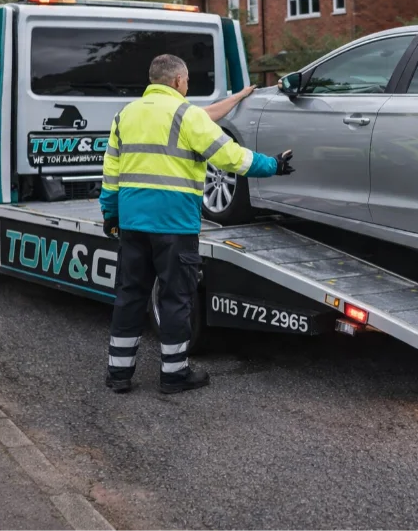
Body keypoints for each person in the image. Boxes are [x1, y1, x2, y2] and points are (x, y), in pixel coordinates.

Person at [100, 54, 294, 394]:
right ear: (177, 81)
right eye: (187, 81)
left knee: (130, 296)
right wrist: (272, 166)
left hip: (132, 224)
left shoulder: (125, 115)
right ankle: (173, 375)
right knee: (175, 298)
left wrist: (110, 212)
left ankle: (119, 375)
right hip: (174, 225)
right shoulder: (186, 114)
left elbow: (111, 171)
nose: (187, 87)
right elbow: (228, 155)